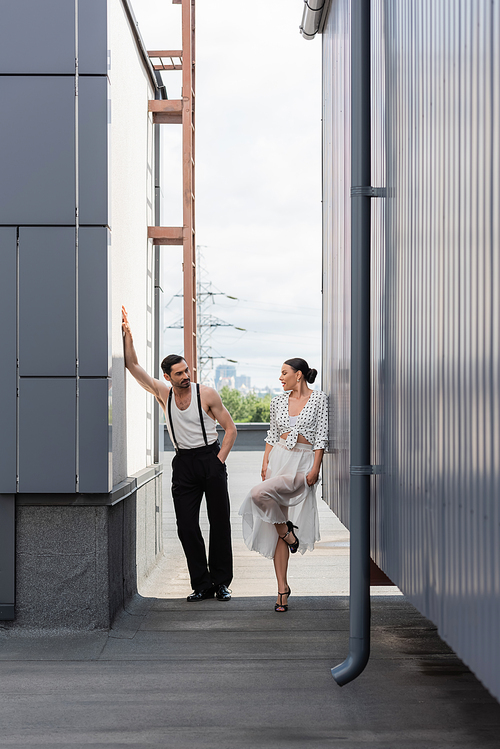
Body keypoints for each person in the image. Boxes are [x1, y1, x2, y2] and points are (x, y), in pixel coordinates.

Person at [122, 306, 237, 602]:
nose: (186, 376)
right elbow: (133, 367)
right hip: (184, 463)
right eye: (179, 373)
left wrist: (218, 460)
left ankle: (221, 582)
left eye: (187, 371)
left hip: (210, 458)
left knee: (219, 522)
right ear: (167, 376)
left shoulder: (207, 394)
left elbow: (230, 429)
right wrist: (128, 336)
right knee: (186, 526)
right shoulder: (164, 393)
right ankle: (202, 584)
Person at [239, 358, 328, 612]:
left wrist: (316, 468)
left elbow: (321, 435)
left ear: (298, 375)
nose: (280, 378)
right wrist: (265, 461)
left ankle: (286, 532)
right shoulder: (278, 401)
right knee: (273, 520)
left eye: (284, 373)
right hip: (278, 459)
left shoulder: (319, 399)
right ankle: (282, 589)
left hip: (303, 464)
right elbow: (271, 434)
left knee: (257, 495)